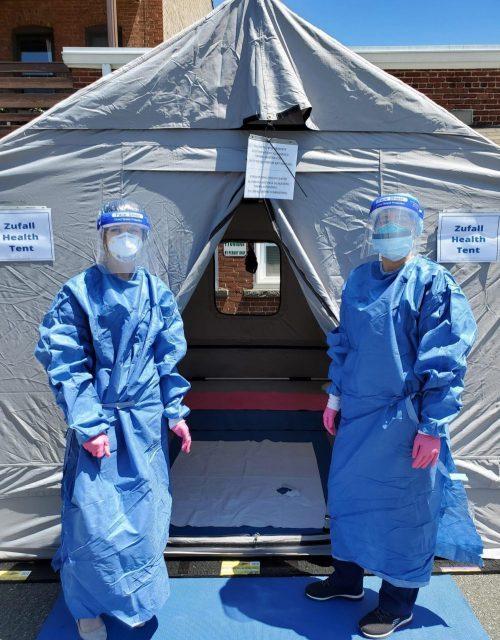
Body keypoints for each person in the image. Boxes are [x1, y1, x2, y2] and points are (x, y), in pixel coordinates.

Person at [306, 194, 483, 638]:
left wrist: (432, 426)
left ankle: (396, 602)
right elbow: (345, 344)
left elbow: (446, 360)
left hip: (405, 420)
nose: (390, 230)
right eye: (383, 222)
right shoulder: (359, 280)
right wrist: (336, 397)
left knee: (404, 510)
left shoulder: (432, 283)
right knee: (348, 496)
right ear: (371, 229)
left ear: (417, 228)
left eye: (400, 222)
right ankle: (347, 580)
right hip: (359, 414)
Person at [35, 199, 192, 640]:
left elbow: (168, 359)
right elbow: (65, 361)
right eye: (116, 230)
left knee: (145, 517)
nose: (125, 239)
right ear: (102, 237)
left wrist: (175, 412)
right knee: (94, 520)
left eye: (133, 231)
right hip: (99, 427)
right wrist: (88, 423)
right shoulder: (79, 291)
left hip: (144, 426)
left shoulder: (157, 293)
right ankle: (88, 608)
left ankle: (136, 598)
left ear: (143, 238)